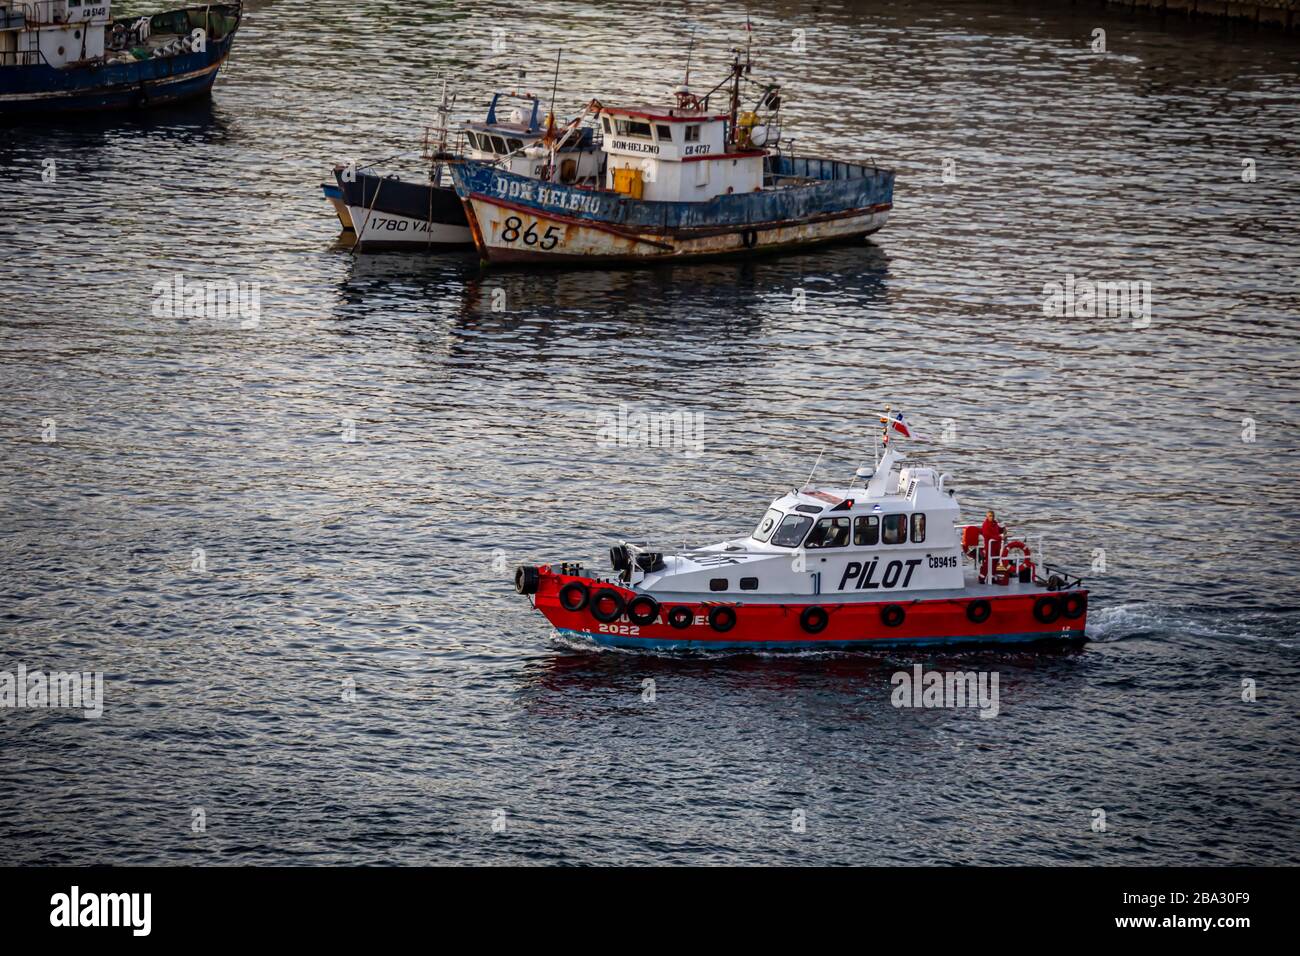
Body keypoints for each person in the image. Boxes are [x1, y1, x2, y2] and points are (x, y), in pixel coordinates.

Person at [980, 510, 1005, 574]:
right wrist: (1000, 537)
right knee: (988, 563)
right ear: (987, 516)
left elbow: (999, 530)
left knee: (995, 561)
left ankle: (992, 577)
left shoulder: (995, 523)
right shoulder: (985, 525)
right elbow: (988, 535)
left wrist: (1003, 529)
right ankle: (982, 578)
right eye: (990, 516)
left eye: (993, 516)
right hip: (989, 547)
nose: (992, 517)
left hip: (996, 546)